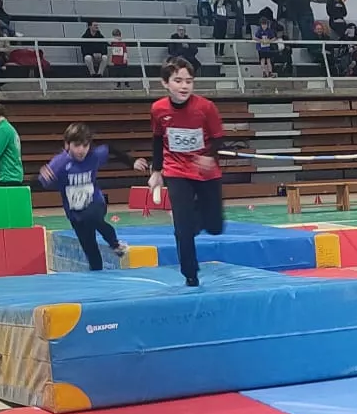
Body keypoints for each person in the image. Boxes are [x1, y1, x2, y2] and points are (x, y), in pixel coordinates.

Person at [140, 57, 225, 287]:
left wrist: (209, 157)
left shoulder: (206, 108)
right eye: (178, 80)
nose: (184, 86)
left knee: (215, 227)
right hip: (176, 170)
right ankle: (190, 274)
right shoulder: (158, 109)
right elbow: (157, 139)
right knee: (183, 229)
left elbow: (219, 140)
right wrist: (156, 171)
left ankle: (192, 217)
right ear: (165, 83)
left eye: (189, 81)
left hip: (206, 172)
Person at [37, 124, 123, 271]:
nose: (81, 150)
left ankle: (114, 243)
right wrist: (43, 179)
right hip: (75, 212)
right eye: (77, 146)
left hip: (95, 202)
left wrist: (132, 162)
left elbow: (111, 149)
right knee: (89, 247)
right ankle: (97, 274)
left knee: (92, 217)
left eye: (85, 145)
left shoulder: (94, 156)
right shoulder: (59, 163)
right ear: (67, 145)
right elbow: (41, 182)